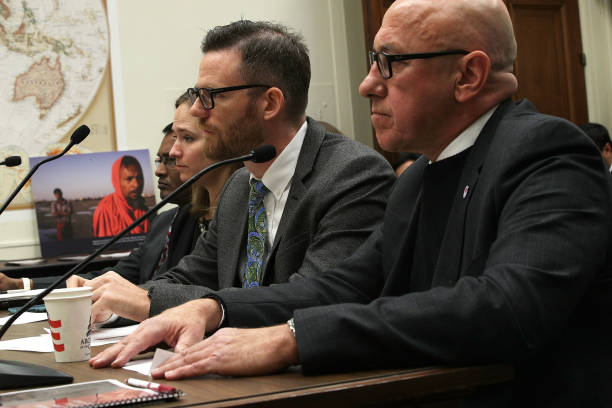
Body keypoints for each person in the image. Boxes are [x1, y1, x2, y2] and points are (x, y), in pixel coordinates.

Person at [91, 2, 612, 406]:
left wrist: (293, 338)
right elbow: (340, 286)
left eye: (390, 63)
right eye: (371, 62)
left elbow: (506, 306)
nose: (367, 85)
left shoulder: (546, 152)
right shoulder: (419, 178)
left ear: (468, 75)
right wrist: (215, 308)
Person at [81, 20, 395, 325]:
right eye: (197, 94)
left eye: (212, 96)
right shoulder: (241, 185)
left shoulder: (353, 175)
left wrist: (151, 302)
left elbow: (315, 299)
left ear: (270, 103)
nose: (197, 110)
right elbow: (190, 276)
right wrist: (115, 300)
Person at [0, 121, 199, 291]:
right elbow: (108, 277)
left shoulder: (204, 224)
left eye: (170, 161)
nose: (159, 171)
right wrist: (19, 284)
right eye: (159, 161)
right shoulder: (163, 221)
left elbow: (180, 290)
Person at [92, 155, 149, 238]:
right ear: (117, 180)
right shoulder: (105, 211)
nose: (136, 184)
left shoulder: (143, 209)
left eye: (139, 178)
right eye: (129, 179)